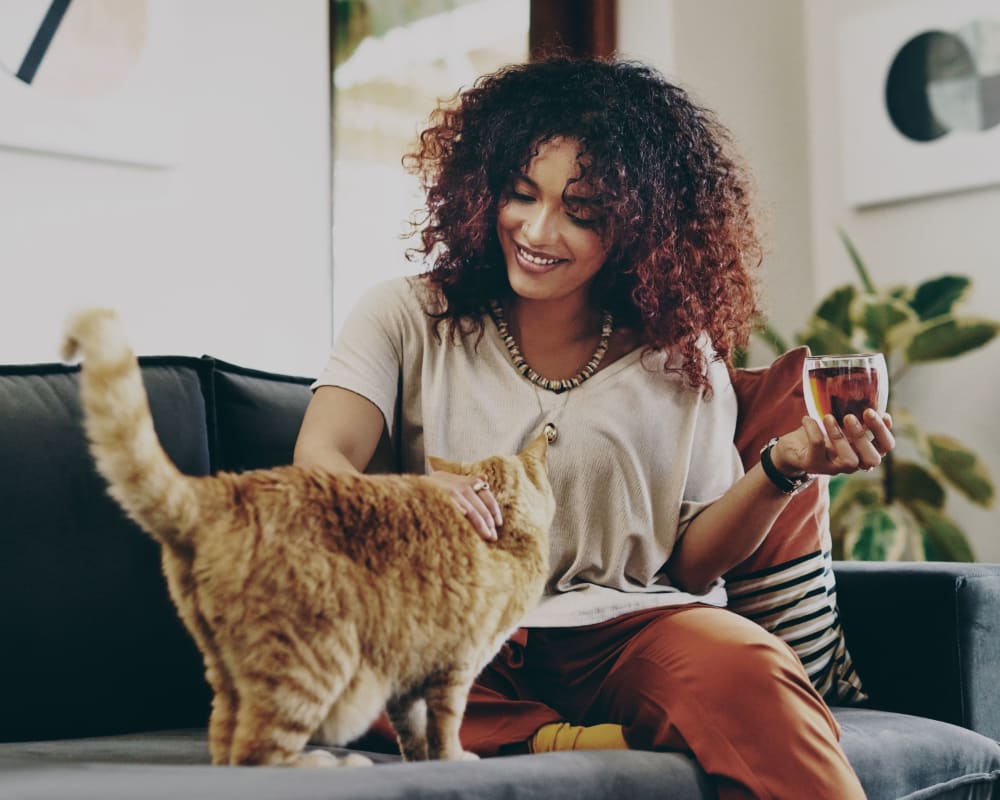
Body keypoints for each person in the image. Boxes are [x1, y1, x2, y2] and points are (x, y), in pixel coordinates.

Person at [294, 56, 894, 799]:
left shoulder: (682, 355)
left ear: (643, 227)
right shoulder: (406, 315)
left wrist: (781, 467)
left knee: (751, 666)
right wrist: (411, 501)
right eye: (521, 195)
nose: (538, 230)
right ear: (486, 190)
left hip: (629, 629)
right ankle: (552, 738)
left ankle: (545, 730)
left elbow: (694, 566)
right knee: (348, 659)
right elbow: (321, 459)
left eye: (583, 213)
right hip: (461, 624)